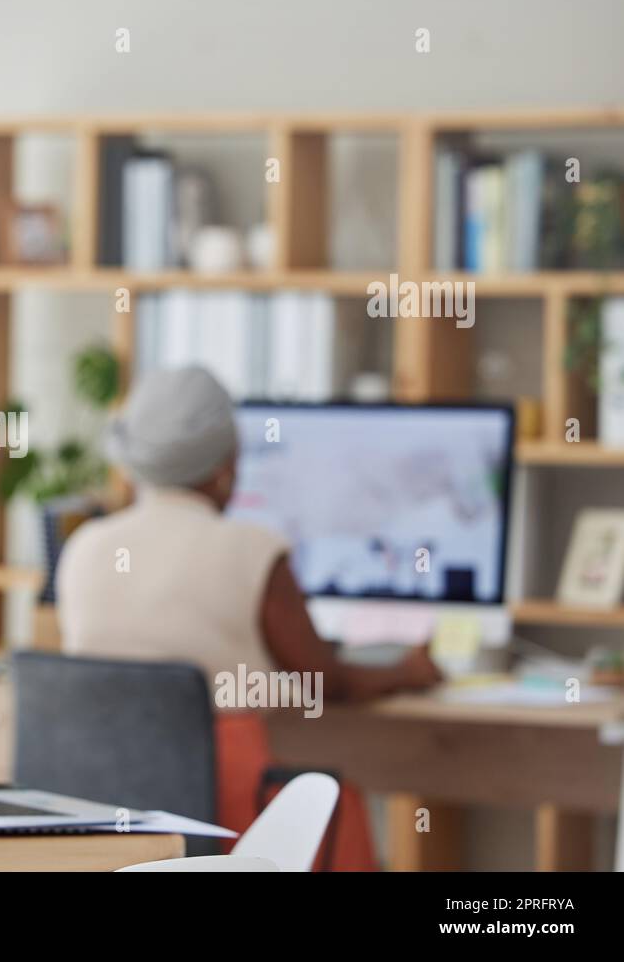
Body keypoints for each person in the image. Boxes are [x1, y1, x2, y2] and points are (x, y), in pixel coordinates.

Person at [54, 365, 443, 866]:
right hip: (231, 814)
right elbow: (325, 683)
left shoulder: (84, 546)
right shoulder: (253, 548)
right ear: (226, 467)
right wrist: (407, 671)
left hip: (105, 816)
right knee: (334, 802)